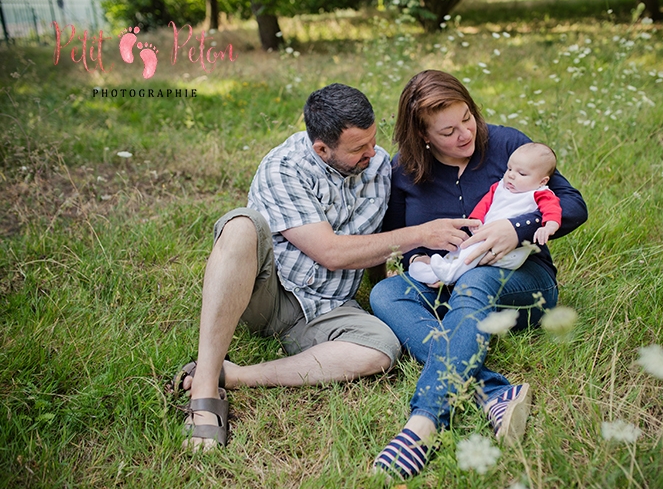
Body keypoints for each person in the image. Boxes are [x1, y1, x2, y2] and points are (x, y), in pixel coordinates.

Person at [174, 83, 479, 451]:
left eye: (372, 140)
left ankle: (238, 376)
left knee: (380, 349)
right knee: (240, 226)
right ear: (322, 148)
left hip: (329, 306)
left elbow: (373, 235)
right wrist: (420, 234)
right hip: (268, 293)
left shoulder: (379, 165)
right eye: (357, 149)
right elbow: (331, 253)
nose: (372, 153)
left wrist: (384, 278)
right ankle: (205, 388)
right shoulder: (284, 168)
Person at [369, 70, 587, 479]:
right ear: (423, 135)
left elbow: (574, 205)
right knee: (385, 294)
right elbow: (400, 238)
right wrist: (416, 260)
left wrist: (517, 228)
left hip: (525, 282)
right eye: (448, 131)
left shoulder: (508, 144)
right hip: (446, 277)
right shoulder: (406, 169)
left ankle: (425, 422)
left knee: (474, 282)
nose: (465, 134)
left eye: (467, 118)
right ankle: (493, 391)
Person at [409, 142, 562, 285]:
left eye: (521, 173)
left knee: (473, 251)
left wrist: (548, 227)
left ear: (542, 181)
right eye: (509, 169)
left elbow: (553, 210)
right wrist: (476, 220)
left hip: (510, 250)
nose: (511, 175)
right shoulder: (500, 187)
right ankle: (434, 270)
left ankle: (449, 275)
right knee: (464, 247)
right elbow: (485, 203)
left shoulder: (539, 193)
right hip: (486, 238)